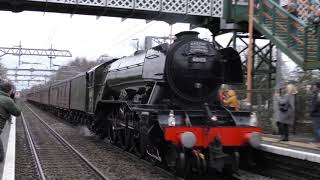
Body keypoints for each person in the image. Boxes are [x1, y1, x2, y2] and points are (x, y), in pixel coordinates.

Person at [0, 81, 21, 162]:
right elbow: (17, 112)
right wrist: (15, 100)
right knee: (0, 155)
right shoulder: (7, 100)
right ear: (9, 91)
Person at [309, 81, 320, 146]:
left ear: (317, 86)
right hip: (317, 113)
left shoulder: (318, 94)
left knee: (317, 128)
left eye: (314, 86)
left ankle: (318, 142)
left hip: (317, 114)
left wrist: (311, 111)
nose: (313, 87)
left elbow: (316, 104)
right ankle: (317, 141)